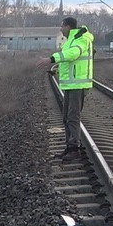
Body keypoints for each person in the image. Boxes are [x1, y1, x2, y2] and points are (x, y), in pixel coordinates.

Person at [40, 17, 94, 161]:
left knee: (73, 117)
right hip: (71, 84)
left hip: (79, 85)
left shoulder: (81, 39)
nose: (60, 29)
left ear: (69, 27)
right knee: (66, 117)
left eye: (62, 26)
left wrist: (52, 59)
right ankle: (69, 146)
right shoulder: (71, 40)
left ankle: (74, 148)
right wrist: (57, 70)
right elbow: (70, 63)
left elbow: (73, 55)